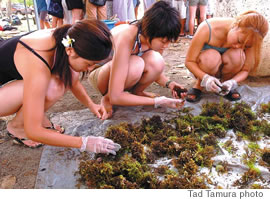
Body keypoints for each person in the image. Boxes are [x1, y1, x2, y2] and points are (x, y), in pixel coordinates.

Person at [0, 19, 120, 154]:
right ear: (70, 50)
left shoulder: (67, 40)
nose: (91, 69)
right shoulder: (38, 62)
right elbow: (33, 131)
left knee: (63, 77)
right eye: (89, 63)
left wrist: (92, 105)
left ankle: (34, 116)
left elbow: (73, 81)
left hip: (12, 79)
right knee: (53, 87)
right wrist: (84, 142)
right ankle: (17, 127)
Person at [88, 1, 186, 118]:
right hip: (99, 74)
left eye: (169, 41)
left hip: (120, 71)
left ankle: (137, 93)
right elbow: (127, 68)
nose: (166, 45)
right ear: (150, 32)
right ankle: (108, 97)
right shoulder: (127, 36)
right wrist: (157, 101)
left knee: (157, 60)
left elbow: (153, 68)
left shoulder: (149, 37)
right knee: (136, 64)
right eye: (163, 41)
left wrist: (169, 84)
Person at [185, 11, 269, 103]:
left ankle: (224, 86)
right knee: (212, 56)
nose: (239, 46)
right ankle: (199, 85)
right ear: (235, 25)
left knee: (238, 55)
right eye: (239, 41)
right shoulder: (207, 28)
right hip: (202, 69)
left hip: (226, 72)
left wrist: (232, 82)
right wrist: (206, 78)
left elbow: (245, 70)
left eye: (246, 46)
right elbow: (189, 61)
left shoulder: (251, 38)